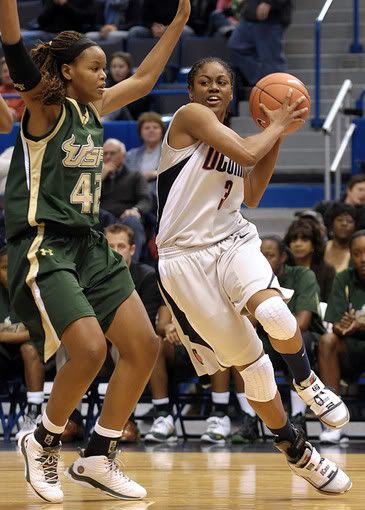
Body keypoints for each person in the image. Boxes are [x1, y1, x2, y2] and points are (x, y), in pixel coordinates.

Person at [0, 0, 190, 504]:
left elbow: (147, 79)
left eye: (106, 67)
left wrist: (177, 23)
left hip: (89, 242)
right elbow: (15, 48)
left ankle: (99, 454)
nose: (105, 75)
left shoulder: (93, 109)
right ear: (67, 71)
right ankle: (41, 440)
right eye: (95, 67)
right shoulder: (44, 108)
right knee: (87, 349)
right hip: (45, 243)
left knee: (144, 347)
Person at [156, 56, 351, 494]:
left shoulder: (242, 139)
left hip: (233, 240)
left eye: (221, 82)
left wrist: (278, 130)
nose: (212, 88)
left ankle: (307, 382)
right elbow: (247, 152)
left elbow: (255, 194)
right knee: (256, 370)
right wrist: (277, 124)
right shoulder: (190, 118)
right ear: (191, 91)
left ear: (232, 92)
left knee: (278, 317)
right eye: (203, 81)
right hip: (185, 261)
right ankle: (296, 449)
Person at [105, 223, 163, 441]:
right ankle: (71, 420)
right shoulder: (89, 276)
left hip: (126, 343)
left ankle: (124, 420)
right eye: (110, 246)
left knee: (125, 347)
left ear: (132, 249)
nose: (115, 251)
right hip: (96, 343)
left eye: (120, 246)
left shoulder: (146, 276)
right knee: (70, 342)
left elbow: (145, 322)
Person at [319, 229, 365, 444]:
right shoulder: (343, 278)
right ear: (351, 255)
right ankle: (333, 420)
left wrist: (360, 324)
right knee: (327, 341)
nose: (363, 258)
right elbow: (335, 323)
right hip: (349, 350)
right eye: (357, 253)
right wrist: (341, 327)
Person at [0, 246, 45, 440]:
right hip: (3, 358)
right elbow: (26, 329)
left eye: (16, 267)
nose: (11, 273)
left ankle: (34, 414)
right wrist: (19, 331)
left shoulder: (37, 289)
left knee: (29, 347)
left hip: (38, 357)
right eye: (4, 268)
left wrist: (3, 332)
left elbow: (38, 329)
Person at [100, 138, 152, 262]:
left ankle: (131, 268)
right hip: (103, 217)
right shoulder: (95, 177)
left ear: (123, 155)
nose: (108, 157)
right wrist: (100, 177)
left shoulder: (135, 176)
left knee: (133, 220)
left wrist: (135, 210)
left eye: (112, 153)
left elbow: (146, 200)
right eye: (105, 154)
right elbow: (86, 197)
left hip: (125, 217)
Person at [227, 0, 291, 86]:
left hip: (270, 18)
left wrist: (270, 2)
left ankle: (279, 93)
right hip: (249, 16)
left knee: (271, 62)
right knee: (235, 47)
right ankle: (264, 83)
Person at [284, 218, 336, 302]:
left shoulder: (327, 271)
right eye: (294, 239)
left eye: (304, 239)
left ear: (313, 245)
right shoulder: (283, 269)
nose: (298, 244)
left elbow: (330, 302)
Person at [324, 202, 356, 273]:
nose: (344, 224)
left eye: (349, 221)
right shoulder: (321, 249)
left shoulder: (358, 252)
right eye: (339, 220)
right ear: (331, 224)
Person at [0, 57, 25, 122]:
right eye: (5, 71)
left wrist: (14, 114)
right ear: (1, 74)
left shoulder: (25, 92)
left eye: (10, 71)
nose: (8, 74)